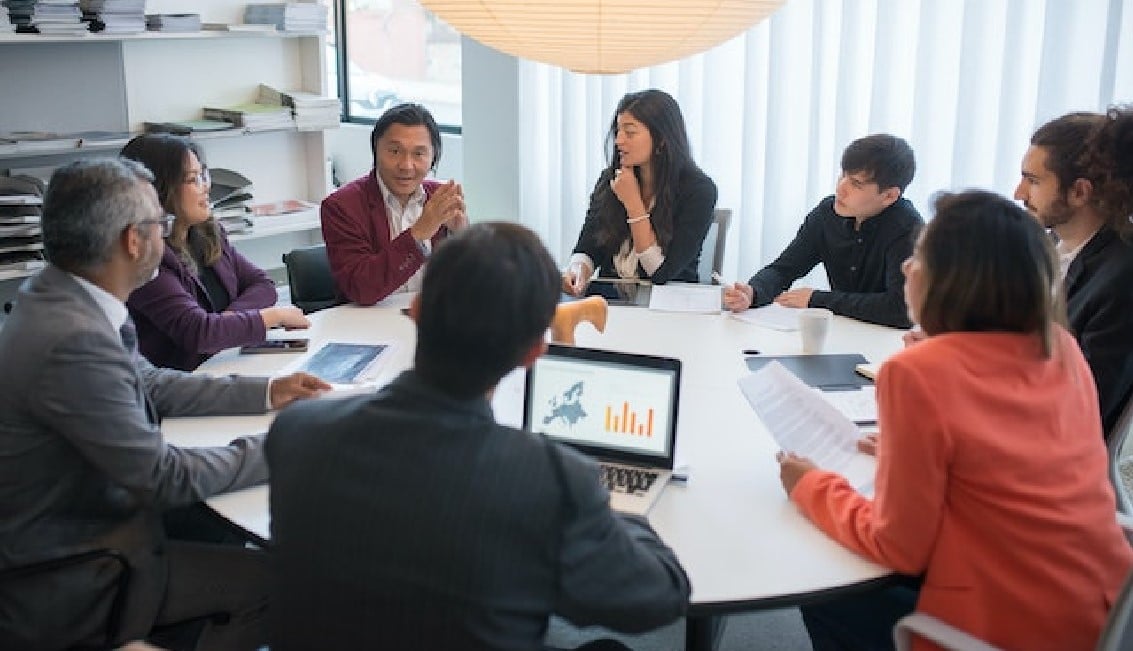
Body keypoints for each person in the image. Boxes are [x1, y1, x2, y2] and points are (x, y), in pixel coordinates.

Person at [266, 222, 690, 649]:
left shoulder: (297, 432)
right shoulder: (551, 481)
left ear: (415, 311)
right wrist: (606, 503)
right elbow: (661, 595)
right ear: (534, 352)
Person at [778, 190, 1133, 650]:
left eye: (921, 255)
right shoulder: (1061, 347)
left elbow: (899, 546)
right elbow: (1012, 451)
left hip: (1003, 626)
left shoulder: (917, 372)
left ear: (955, 278)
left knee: (824, 578)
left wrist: (810, 484)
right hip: (1098, 609)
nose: (907, 267)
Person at [0, 159, 331, 650]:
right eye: (159, 221)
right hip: (72, 569)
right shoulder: (72, 338)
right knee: (282, 581)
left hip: (88, 519)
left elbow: (149, 381)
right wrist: (283, 448)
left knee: (230, 531)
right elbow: (162, 477)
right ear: (133, 240)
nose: (167, 231)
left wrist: (265, 392)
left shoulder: (63, 296)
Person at [120, 133, 309, 371]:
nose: (206, 187)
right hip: (181, 386)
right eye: (193, 179)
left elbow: (263, 284)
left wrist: (225, 324)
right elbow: (198, 333)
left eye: (204, 175)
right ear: (159, 191)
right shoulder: (147, 255)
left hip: (228, 364)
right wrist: (273, 316)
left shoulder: (208, 231)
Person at [1012, 109, 1133, 437]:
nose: (1018, 194)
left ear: (1080, 192)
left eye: (1033, 181)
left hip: (1050, 452)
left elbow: (1079, 408)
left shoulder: (1121, 280)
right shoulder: (1051, 245)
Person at [722, 134, 921, 328]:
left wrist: (817, 299)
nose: (841, 189)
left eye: (856, 184)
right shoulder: (827, 214)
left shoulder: (908, 229)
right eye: (843, 175)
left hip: (886, 343)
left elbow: (900, 309)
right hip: (842, 332)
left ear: (889, 196)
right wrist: (753, 292)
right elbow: (784, 269)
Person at [563, 89, 717, 296]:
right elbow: (587, 248)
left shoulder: (699, 191)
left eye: (630, 132)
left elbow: (661, 273)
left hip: (668, 308)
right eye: (618, 131)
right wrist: (578, 270)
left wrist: (633, 203)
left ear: (661, 138)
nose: (619, 141)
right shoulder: (611, 179)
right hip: (611, 303)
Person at [321, 102, 467, 305]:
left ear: (433, 157)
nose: (406, 166)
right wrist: (420, 232)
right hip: (366, 324)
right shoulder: (341, 206)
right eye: (394, 151)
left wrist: (462, 237)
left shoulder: (441, 197)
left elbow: (472, 287)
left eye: (419, 154)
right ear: (376, 151)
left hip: (431, 320)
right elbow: (361, 288)